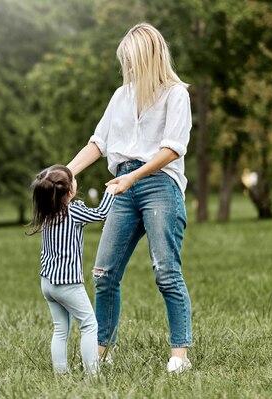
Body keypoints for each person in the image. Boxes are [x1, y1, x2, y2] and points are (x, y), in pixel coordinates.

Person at [66, 23, 193, 373]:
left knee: (166, 271)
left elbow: (171, 150)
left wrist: (131, 178)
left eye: (132, 61)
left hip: (159, 186)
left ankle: (179, 355)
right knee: (104, 273)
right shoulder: (121, 96)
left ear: (149, 57)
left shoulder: (175, 95)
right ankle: (103, 351)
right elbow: (99, 142)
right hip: (122, 186)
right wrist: (67, 173)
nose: (128, 69)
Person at [29, 164, 117, 375]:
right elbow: (102, 213)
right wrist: (111, 192)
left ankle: (60, 374)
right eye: (73, 178)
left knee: (60, 329)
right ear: (70, 190)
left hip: (47, 283)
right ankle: (92, 375)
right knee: (89, 326)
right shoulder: (74, 211)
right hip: (68, 284)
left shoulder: (46, 214)